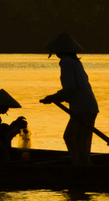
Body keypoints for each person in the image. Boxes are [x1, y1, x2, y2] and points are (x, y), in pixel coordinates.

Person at [40, 32, 99, 166]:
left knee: (72, 138)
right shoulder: (75, 62)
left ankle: (81, 165)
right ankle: (83, 163)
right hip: (87, 106)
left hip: (82, 107)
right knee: (80, 139)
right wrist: (58, 97)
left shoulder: (66, 62)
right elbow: (72, 89)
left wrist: (54, 97)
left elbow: (70, 88)